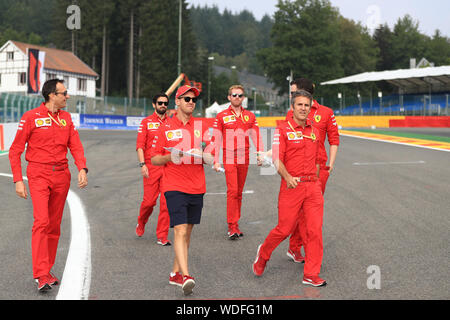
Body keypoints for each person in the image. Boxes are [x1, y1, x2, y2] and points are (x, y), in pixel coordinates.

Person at [8, 79, 88, 292]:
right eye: (64, 93)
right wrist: (17, 180)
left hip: (62, 175)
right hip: (39, 174)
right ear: (52, 95)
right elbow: (15, 150)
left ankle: (47, 269)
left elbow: (76, 145)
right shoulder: (31, 117)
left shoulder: (67, 118)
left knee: (54, 225)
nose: (67, 96)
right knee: (42, 222)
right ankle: (41, 274)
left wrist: (82, 167)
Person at [252, 90, 327, 287]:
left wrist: (316, 182)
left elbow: (319, 160)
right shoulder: (282, 130)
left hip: (312, 188)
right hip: (291, 186)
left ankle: (311, 274)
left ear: (311, 109)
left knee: (314, 231)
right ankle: (263, 254)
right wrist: (287, 177)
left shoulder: (315, 132)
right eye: (300, 105)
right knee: (284, 229)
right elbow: (277, 158)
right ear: (292, 108)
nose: (303, 108)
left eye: (306, 105)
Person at [151, 85, 214, 295]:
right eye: (186, 99)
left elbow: (212, 155)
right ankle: (186, 276)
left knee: (187, 233)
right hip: (174, 185)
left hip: (197, 186)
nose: (191, 102)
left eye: (193, 100)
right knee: (179, 230)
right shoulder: (165, 127)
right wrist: (171, 157)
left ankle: (175, 273)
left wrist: (205, 154)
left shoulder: (202, 126)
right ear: (177, 101)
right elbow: (155, 158)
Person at [286, 78, 340, 263]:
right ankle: (296, 247)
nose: (292, 97)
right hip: (297, 170)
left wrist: (330, 165)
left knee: (310, 213)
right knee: (298, 212)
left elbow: (334, 140)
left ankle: (301, 249)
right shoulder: (291, 113)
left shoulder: (326, 113)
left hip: (319, 170)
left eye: (294, 93)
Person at [212, 85, 264, 240]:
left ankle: (236, 223)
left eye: (240, 95)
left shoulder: (249, 116)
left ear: (243, 98)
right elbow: (216, 139)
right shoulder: (221, 116)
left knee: (239, 192)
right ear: (229, 97)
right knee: (232, 191)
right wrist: (216, 160)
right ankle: (231, 226)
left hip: (245, 157)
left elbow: (256, 136)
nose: (237, 97)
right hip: (228, 157)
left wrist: (260, 154)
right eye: (234, 95)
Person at [135, 93, 171, 246]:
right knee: (149, 202)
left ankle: (162, 236)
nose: (163, 105)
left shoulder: (172, 123)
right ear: (154, 104)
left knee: (166, 202)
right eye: (160, 103)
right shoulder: (146, 122)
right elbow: (140, 146)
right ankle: (142, 222)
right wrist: (143, 165)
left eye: (165, 103)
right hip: (151, 166)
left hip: (169, 168)